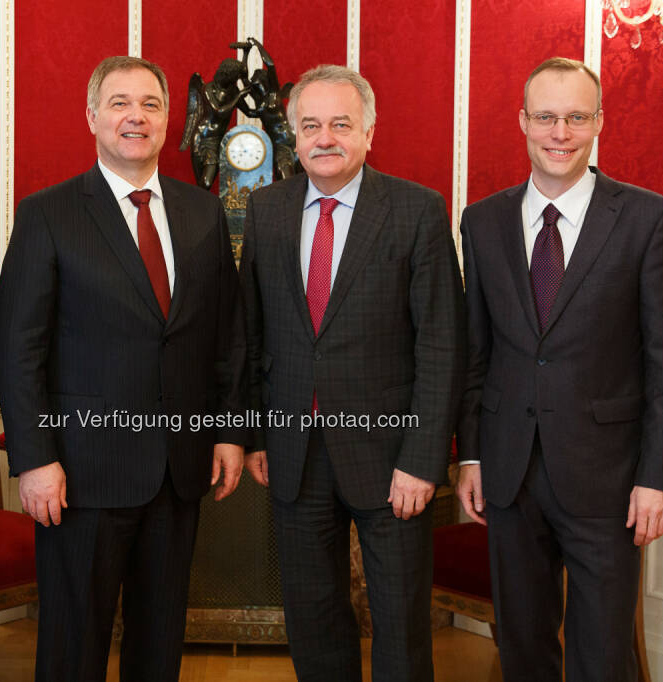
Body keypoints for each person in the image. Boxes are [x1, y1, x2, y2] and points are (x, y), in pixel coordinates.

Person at [0, 56, 246, 682]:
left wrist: (230, 430)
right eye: (119, 103)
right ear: (92, 117)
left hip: (178, 470)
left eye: (151, 104)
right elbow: (19, 348)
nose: (136, 116)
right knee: (73, 643)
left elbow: (227, 336)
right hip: (79, 473)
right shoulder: (48, 213)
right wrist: (33, 458)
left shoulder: (201, 212)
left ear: (169, 121)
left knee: (159, 641)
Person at [456, 57, 663, 681]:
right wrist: (473, 457)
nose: (559, 132)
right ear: (523, 122)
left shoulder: (648, 219)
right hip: (508, 476)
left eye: (575, 117)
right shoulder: (481, 222)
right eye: (545, 117)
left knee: (602, 655)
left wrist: (660, 478)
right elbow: (475, 352)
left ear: (597, 123)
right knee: (522, 648)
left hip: (611, 482)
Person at [240, 64, 466, 682]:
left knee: (398, 623)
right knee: (312, 620)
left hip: (391, 458)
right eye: (310, 125)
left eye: (341, 123)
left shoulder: (417, 211)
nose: (325, 137)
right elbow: (251, 334)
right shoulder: (267, 210)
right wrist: (257, 435)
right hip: (295, 452)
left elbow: (443, 346)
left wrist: (423, 460)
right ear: (293, 135)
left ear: (369, 131)